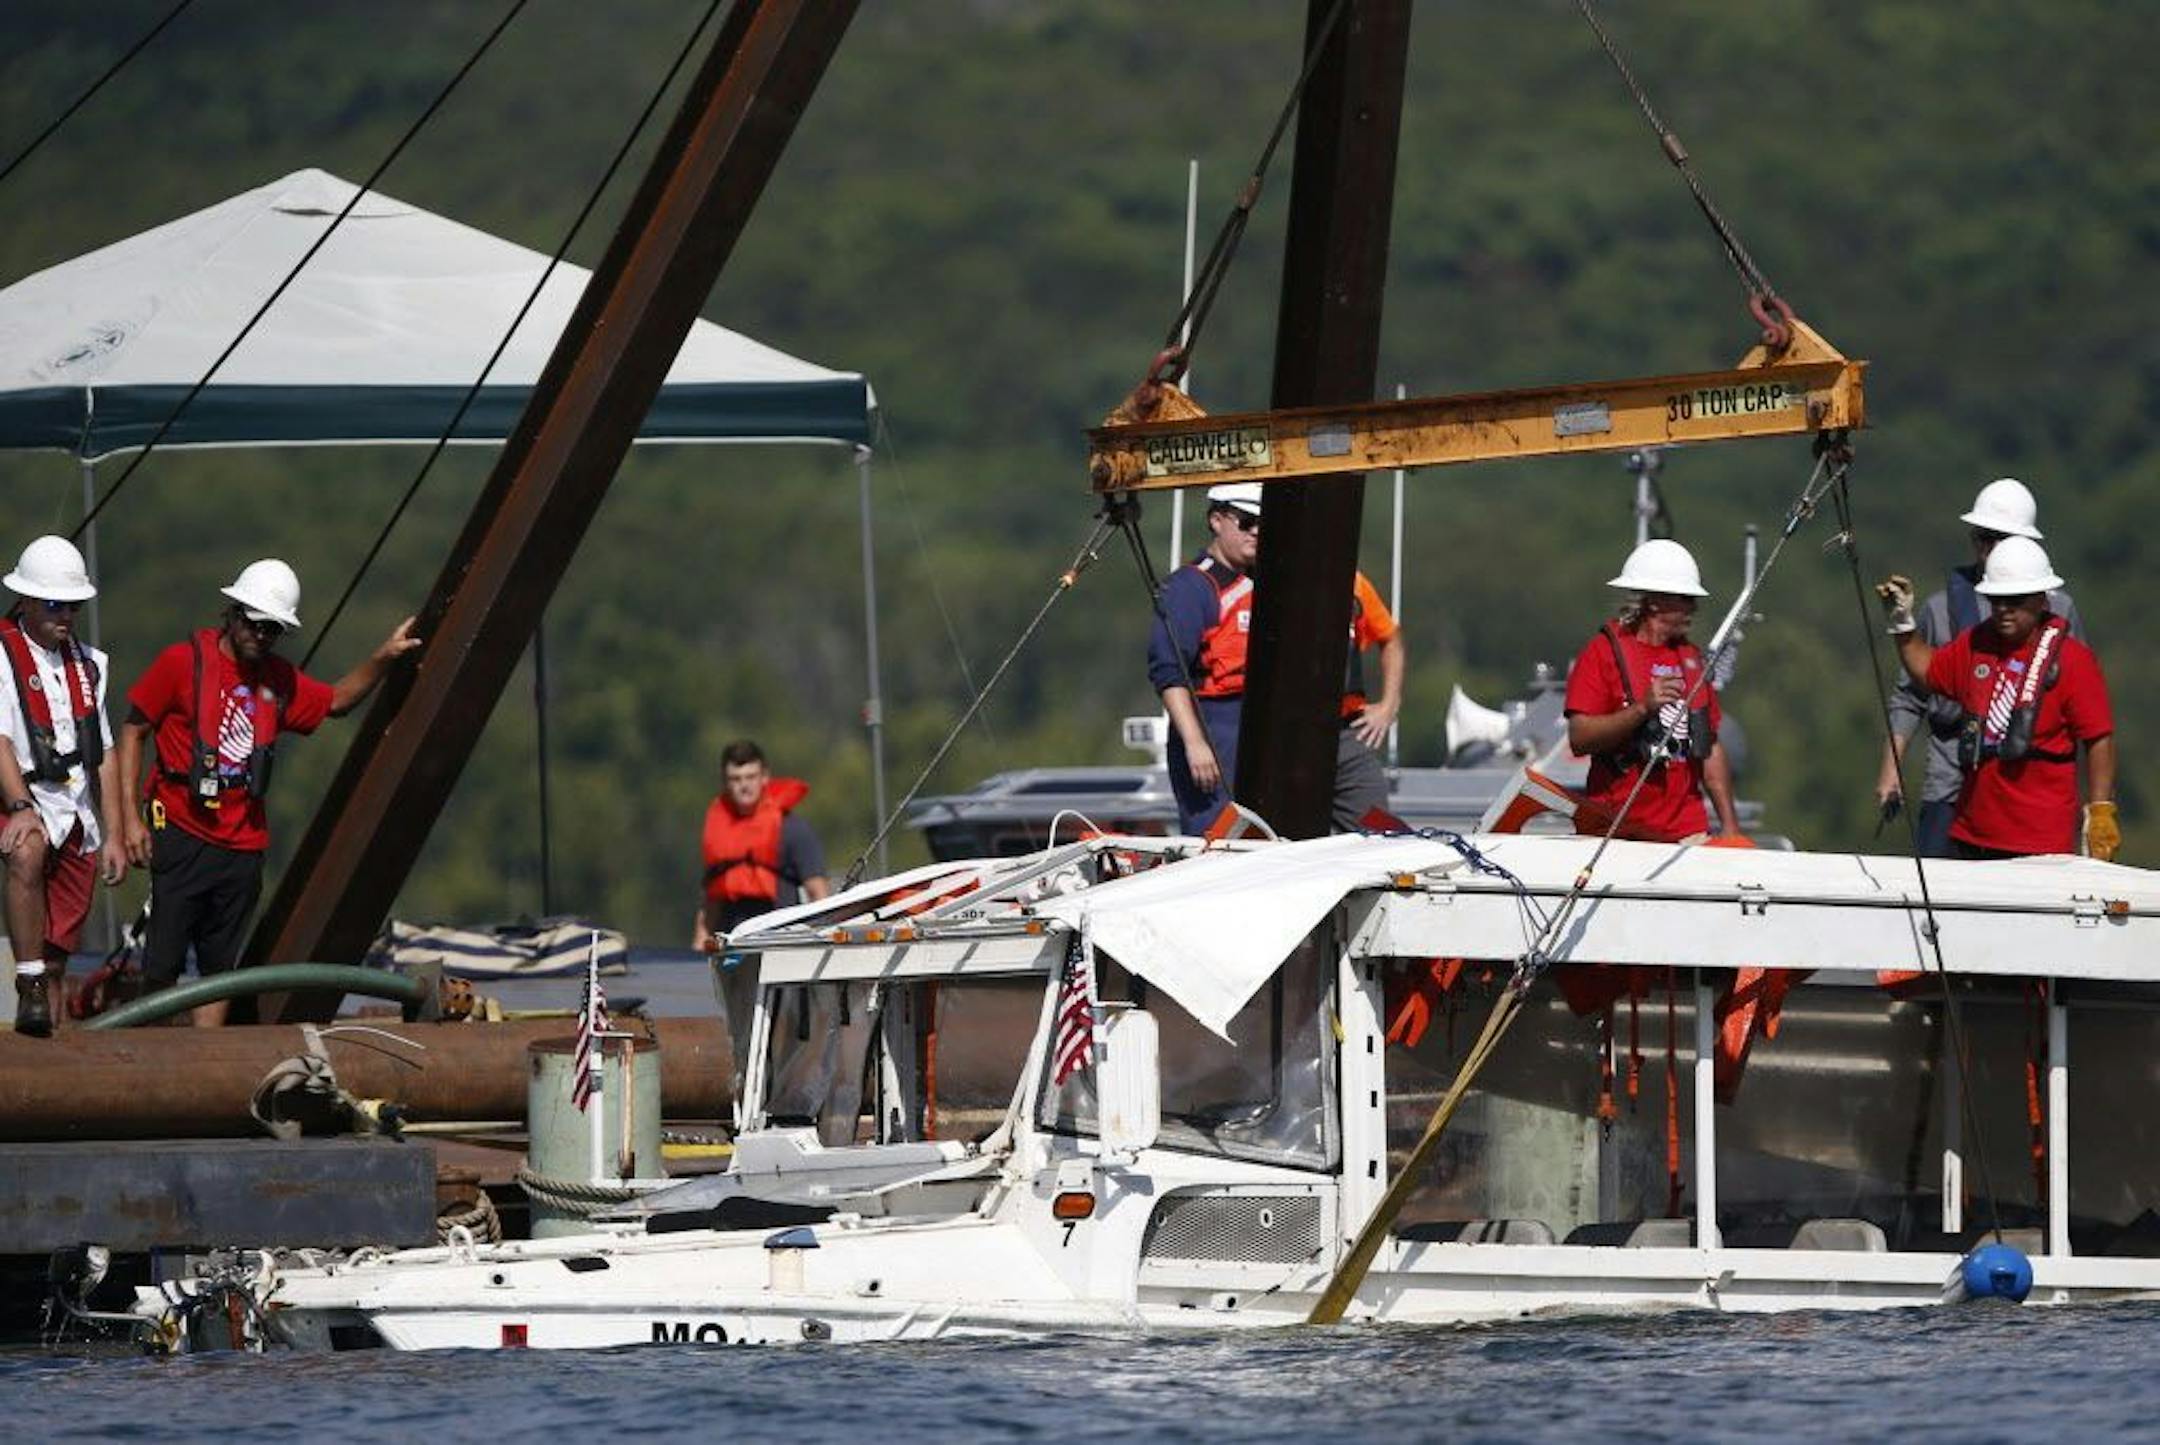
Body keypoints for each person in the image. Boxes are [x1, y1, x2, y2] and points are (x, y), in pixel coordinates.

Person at [116, 559, 419, 1025]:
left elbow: (335, 701)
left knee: (220, 970)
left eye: (274, 629)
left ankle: (205, 1071)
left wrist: (384, 657)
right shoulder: (182, 664)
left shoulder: (277, 680)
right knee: (163, 963)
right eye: (256, 623)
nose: (262, 635)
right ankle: (149, 1062)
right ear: (234, 614)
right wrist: (131, 820)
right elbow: (134, 731)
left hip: (242, 845)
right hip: (180, 828)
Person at [1877, 478, 2084, 856]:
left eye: (1998, 539)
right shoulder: (1940, 610)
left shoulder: (2059, 610)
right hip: (1951, 773)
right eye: (1981, 537)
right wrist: (1891, 768)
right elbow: (1911, 694)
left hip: (2024, 783)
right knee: (1939, 884)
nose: (1987, 549)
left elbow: (2081, 706)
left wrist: (2095, 803)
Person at [0, 538, 126, 1036]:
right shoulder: (3, 658)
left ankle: (45, 1047)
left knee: (59, 957)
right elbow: (0, 741)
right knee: (27, 851)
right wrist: (21, 806)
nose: (66, 614)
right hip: (19, 795)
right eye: (54, 604)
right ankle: (26, 980)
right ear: (27, 601)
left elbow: (106, 753)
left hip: (75, 809)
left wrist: (114, 830)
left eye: (73, 604)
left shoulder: (90, 664)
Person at [1563, 538, 1742, 844]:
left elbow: (1709, 748)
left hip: (1686, 833)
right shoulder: (1602, 653)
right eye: (1685, 599)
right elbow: (1579, 738)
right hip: (1617, 832)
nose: (1693, 608)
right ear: (1656, 601)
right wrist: (1641, 709)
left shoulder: (1692, 661)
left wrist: (1730, 830)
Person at [1147, 483, 1260, 833]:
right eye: (1246, 521)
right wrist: (1196, 743)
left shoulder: (1271, 583)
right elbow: (1168, 672)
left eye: (1263, 523)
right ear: (1217, 520)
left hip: (1257, 724)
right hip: (1213, 724)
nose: (1256, 531)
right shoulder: (1190, 587)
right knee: (1217, 837)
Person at [693, 739, 831, 947]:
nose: (744, 786)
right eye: (735, 779)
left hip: (779, 943)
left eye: (750, 777)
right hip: (730, 944)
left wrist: (817, 944)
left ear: (764, 777)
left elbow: (818, 893)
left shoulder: (792, 828)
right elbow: (711, 902)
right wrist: (699, 945)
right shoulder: (719, 829)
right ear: (725, 782)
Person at [1334, 569, 1405, 831]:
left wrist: (1388, 706)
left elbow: (1391, 638)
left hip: (1348, 728)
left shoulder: (1355, 582)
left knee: (1378, 830)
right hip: (1287, 732)